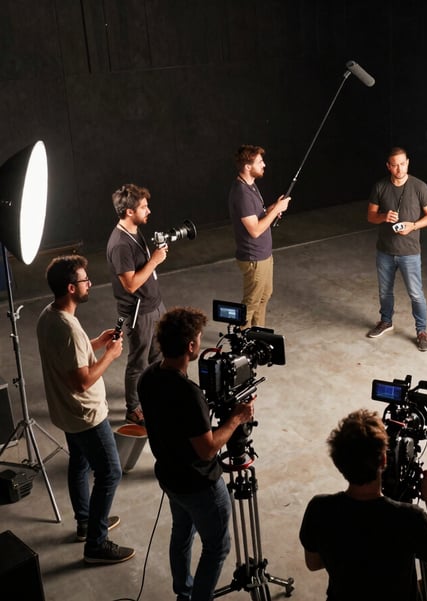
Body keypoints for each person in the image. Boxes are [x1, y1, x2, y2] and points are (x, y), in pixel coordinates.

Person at [138, 307, 254, 601]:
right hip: (198, 483)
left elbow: (172, 422)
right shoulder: (188, 394)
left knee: (182, 533)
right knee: (217, 547)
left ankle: (183, 592)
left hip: (169, 475)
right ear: (191, 346)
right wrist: (236, 419)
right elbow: (207, 449)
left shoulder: (149, 376)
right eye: (199, 339)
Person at [36, 255, 135, 564]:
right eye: (84, 280)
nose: (89, 284)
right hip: (85, 415)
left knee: (79, 464)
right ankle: (96, 543)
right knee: (110, 472)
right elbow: (81, 381)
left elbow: (70, 356)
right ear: (70, 287)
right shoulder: (67, 327)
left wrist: (96, 343)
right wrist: (111, 355)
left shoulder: (48, 316)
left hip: (66, 413)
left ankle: (85, 522)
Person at [299, 408, 427, 601]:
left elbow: (313, 563)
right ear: (383, 459)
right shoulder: (410, 518)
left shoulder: (319, 509)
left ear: (338, 463)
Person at [106, 183, 167, 426]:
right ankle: (133, 408)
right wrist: (154, 261)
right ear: (129, 212)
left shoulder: (134, 231)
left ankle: (155, 394)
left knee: (158, 356)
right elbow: (130, 285)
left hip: (154, 305)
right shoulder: (120, 244)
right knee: (138, 362)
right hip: (138, 313)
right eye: (143, 207)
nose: (148, 210)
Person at [366, 147, 427, 351]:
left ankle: (422, 331)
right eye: (395, 165)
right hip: (385, 250)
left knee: (416, 294)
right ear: (389, 166)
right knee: (384, 292)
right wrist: (383, 217)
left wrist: (413, 226)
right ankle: (386, 321)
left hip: (410, 251)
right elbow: (370, 216)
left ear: (408, 163)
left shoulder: (419, 186)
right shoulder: (380, 186)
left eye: (402, 163)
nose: (399, 168)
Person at [228, 144, 291, 327]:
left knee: (264, 296)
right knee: (251, 303)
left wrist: (272, 208)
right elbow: (254, 230)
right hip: (254, 258)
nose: (264, 165)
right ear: (248, 167)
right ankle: (242, 341)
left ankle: (257, 334)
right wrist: (276, 210)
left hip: (264, 254)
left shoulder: (250, 185)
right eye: (260, 162)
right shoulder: (242, 194)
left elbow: (259, 215)